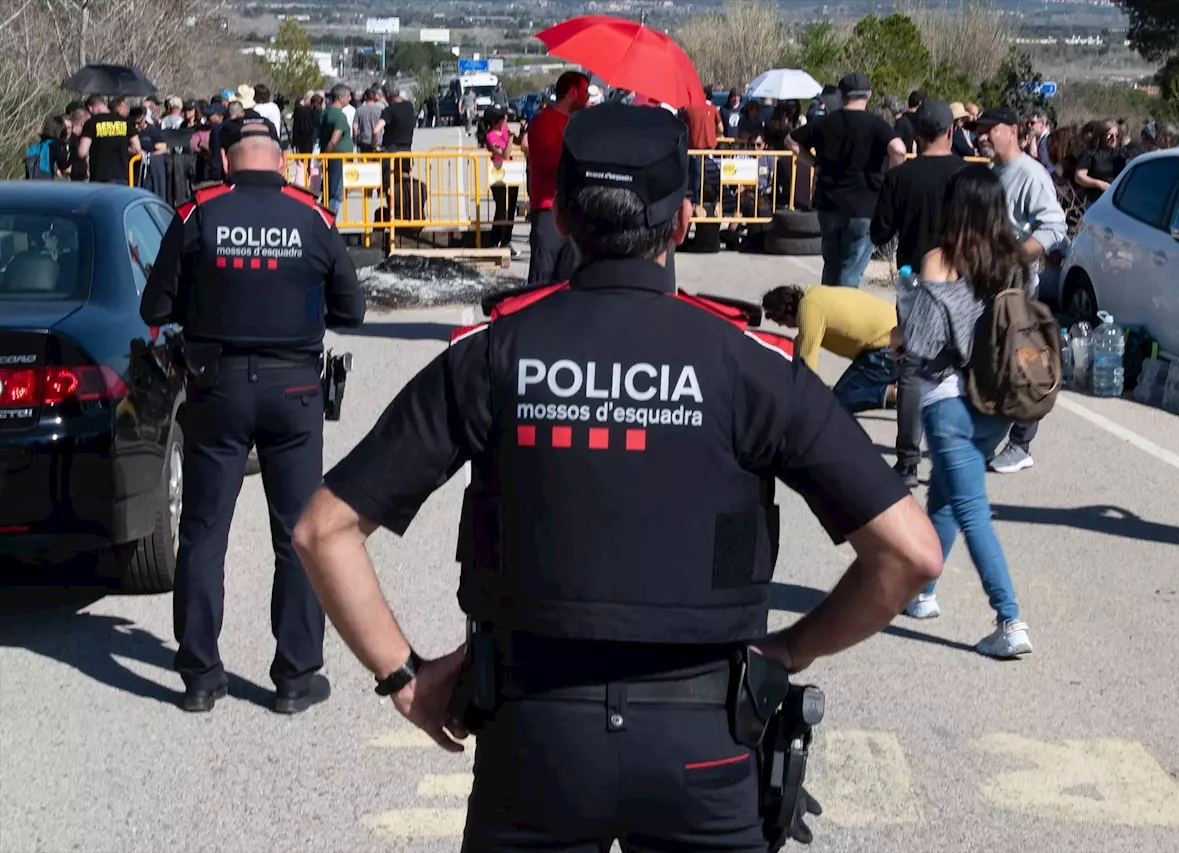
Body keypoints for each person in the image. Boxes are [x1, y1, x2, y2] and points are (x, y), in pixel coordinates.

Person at [292, 101, 943, 852]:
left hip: (534, 739)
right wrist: (792, 650)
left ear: (563, 217)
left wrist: (404, 677)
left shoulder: (493, 354)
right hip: (704, 744)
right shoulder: (750, 366)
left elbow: (323, 528)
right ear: (685, 220)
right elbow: (911, 553)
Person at [139, 115, 366, 714]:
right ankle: (295, 678)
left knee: (204, 532)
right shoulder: (311, 216)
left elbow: (153, 306)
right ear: (283, 161)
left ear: (225, 162)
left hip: (217, 388)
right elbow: (354, 309)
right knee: (297, 534)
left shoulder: (198, 213)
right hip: (295, 392)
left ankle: (200, 676)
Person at [898, 164, 1033, 659]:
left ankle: (1010, 618)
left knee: (971, 509)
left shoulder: (941, 259)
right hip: (996, 403)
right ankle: (923, 592)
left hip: (949, 402)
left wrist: (897, 327)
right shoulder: (1015, 264)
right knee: (947, 496)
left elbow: (922, 339)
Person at [870, 98, 970, 488]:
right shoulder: (968, 175)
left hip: (914, 282)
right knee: (962, 365)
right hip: (962, 279)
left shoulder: (900, 178)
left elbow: (880, 233)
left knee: (911, 369)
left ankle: (908, 461)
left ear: (915, 133)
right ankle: (956, 456)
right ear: (950, 132)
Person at [966, 107, 1068, 476]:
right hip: (988, 286)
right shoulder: (994, 173)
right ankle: (986, 435)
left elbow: (1055, 227)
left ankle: (1021, 443)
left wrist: (1015, 258)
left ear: (1011, 131)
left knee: (1025, 362)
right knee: (992, 361)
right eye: (979, 130)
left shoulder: (1030, 174)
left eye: (989, 130)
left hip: (1019, 290)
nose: (982, 136)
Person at [786, 73, 907, 288]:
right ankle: (841, 315)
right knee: (850, 270)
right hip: (864, 205)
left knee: (831, 266)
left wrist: (814, 163)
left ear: (842, 96)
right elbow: (899, 149)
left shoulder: (824, 123)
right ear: (868, 95)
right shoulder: (876, 125)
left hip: (829, 203)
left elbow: (791, 141)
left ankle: (826, 311)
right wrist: (891, 175)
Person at [761, 284, 899, 413]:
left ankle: (897, 393)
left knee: (838, 401)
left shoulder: (809, 312)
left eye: (780, 322)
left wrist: (798, 405)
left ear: (786, 314)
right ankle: (901, 387)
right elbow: (796, 347)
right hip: (901, 334)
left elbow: (807, 366)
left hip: (888, 348)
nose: (780, 326)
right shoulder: (814, 296)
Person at [521, 70, 590, 285]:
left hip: (573, 212)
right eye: (585, 92)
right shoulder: (544, 122)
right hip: (549, 210)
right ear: (572, 92)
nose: (588, 98)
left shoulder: (577, 124)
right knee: (543, 276)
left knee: (569, 279)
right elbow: (549, 160)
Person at [481, 106, 520, 257]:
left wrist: (521, 131)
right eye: (503, 118)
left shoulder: (505, 129)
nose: (506, 119)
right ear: (495, 121)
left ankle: (506, 240)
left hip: (512, 171)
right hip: (498, 172)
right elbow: (504, 154)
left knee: (511, 208)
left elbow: (517, 141)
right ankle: (494, 239)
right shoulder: (490, 136)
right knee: (501, 208)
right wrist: (510, 138)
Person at [78, 96, 141, 185]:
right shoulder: (124, 121)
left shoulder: (91, 123)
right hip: (121, 175)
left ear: (90, 108)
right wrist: (123, 149)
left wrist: (94, 151)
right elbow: (137, 148)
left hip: (99, 176)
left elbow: (82, 152)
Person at [318, 85, 355, 214]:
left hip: (331, 157)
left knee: (328, 191)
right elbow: (334, 140)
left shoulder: (325, 112)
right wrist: (324, 157)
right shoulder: (340, 116)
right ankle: (329, 222)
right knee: (336, 194)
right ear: (340, 97)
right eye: (348, 96)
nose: (350, 99)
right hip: (338, 158)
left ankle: (322, 219)